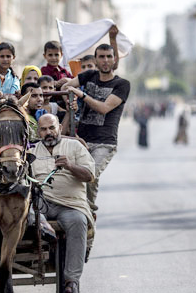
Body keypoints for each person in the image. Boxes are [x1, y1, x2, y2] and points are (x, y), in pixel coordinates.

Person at [61, 42, 130, 212]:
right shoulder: (88, 75)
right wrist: (72, 103)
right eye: (101, 57)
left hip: (104, 143)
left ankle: (86, 211)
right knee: (72, 177)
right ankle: (85, 211)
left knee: (89, 175)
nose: (105, 60)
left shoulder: (122, 84)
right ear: (96, 60)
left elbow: (105, 108)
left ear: (114, 60)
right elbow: (65, 87)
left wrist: (82, 95)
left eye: (109, 57)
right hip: (82, 140)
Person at [30, 114, 95, 293]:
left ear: (59, 127)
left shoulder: (74, 146)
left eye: (52, 128)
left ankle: (71, 282)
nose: (48, 132)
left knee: (78, 221)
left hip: (70, 205)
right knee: (26, 212)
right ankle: (43, 228)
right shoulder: (32, 150)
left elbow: (89, 176)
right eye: (43, 129)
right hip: (40, 204)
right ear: (38, 131)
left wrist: (70, 166)